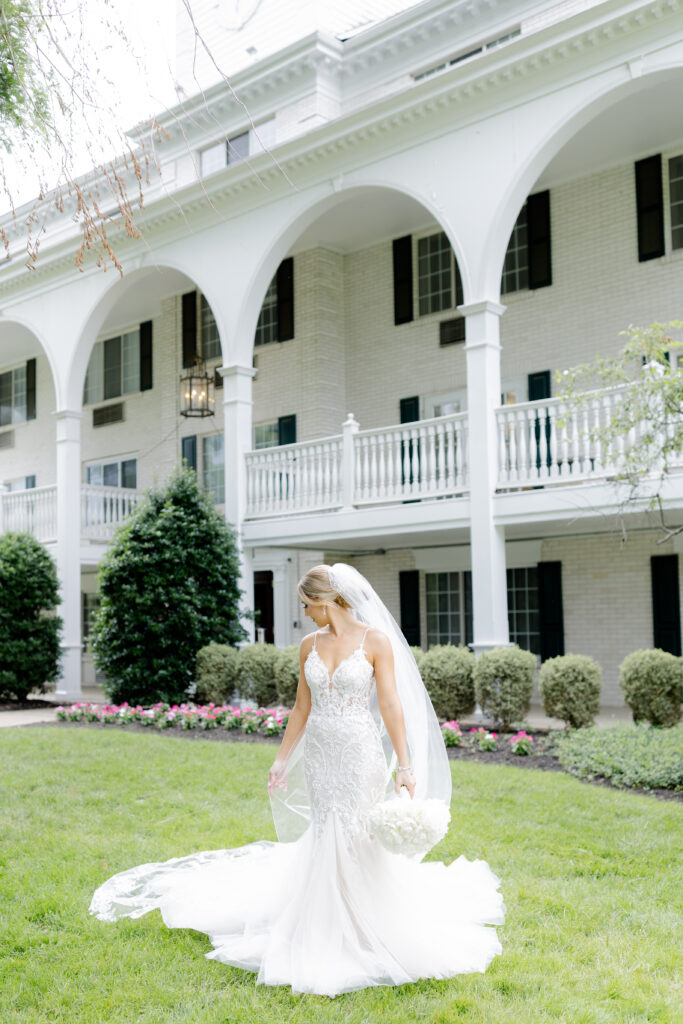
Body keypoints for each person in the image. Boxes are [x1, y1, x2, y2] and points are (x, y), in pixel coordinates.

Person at [89, 563, 505, 997]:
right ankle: (320, 919)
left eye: (307, 605)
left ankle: (364, 923)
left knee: (356, 831)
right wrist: (281, 760)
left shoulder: (375, 641)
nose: (305, 613)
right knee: (326, 827)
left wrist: (404, 766)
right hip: (322, 754)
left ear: (326, 602)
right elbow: (301, 709)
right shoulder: (309, 644)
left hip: (359, 753)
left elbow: (391, 706)